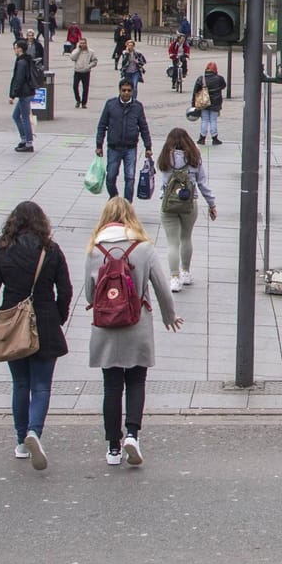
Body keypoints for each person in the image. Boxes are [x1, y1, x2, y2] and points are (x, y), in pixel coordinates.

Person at [0, 202, 73, 470]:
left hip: (14, 325)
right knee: (41, 386)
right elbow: (66, 289)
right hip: (45, 323)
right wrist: (58, 316)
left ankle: (19, 440)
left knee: (20, 384)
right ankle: (34, 432)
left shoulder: (3, 251)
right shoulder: (50, 250)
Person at [85, 198, 180, 467]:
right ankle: (132, 435)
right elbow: (162, 287)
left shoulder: (95, 249)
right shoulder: (144, 247)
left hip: (106, 327)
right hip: (137, 324)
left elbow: (90, 293)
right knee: (137, 381)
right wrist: (169, 317)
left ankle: (113, 448)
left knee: (111, 385)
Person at [156, 128, 218, 293]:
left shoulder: (164, 157)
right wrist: (212, 204)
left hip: (168, 204)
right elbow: (202, 183)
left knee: (172, 242)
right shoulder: (194, 158)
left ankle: (174, 278)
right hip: (189, 204)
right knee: (186, 237)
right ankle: (185, 272)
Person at [95, 79, 152, 201]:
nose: (126, 93)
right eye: (124, 90)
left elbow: (143, 127)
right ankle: (114, 198)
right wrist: (99, 145)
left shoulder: (137, 107)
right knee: (110, 177)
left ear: (132, 91)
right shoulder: (111, 105)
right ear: (119, 91)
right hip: (114, 147)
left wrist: (148, 147)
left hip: (130, 148)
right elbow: (102, 125)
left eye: (129, 90)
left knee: (130, 178)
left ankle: (127, 205)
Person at [8, 39, 40, 153]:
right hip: (27, 92)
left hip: (25, 93)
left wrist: (12, 95)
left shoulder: (22, 61)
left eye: (15, 47)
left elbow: (19, 79)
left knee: (24, 117)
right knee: (16, 116)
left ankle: (28, 142)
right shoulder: (26, 59)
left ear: (20, 48)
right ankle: (24, 139)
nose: (14, 49)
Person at [193, 62, 227, 145]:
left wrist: (193, 104)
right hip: (215, 102)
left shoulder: (201, 78)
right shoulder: (219, 78)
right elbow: (223, 86)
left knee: (204, 120)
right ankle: (215, 138)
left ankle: (202, 138)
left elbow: (195, 91)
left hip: (204, 102)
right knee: (213, 120)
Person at [68, 37, 98, 109]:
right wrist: (78, 50)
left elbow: (95, 61)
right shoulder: (76, 50)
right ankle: (78, 100)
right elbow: (72, 58)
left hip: (86, 72)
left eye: (84, 43)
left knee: (85, 88)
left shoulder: (91, 52)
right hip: (77, 71)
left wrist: (89, 66)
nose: (82, 44)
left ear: (86, 44)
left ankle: (84, 103)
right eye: (81, 43)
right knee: (75, 86)